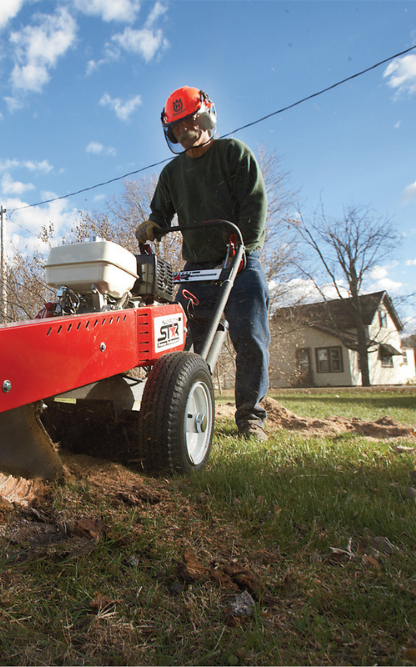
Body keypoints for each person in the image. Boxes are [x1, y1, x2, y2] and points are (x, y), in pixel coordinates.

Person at [136, 86, 270, 441]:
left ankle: (250, 418)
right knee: (175, 342)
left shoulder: (234, 154)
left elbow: (254, 207)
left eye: (188, 121)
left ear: (206, 116)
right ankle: (172, 408)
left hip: (239, 262)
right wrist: (152, 226)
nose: (183, 131)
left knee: (251, 340)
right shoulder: (172, 173)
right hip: (197, 270)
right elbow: (160, 215)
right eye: (176, 127)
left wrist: (241, 248)